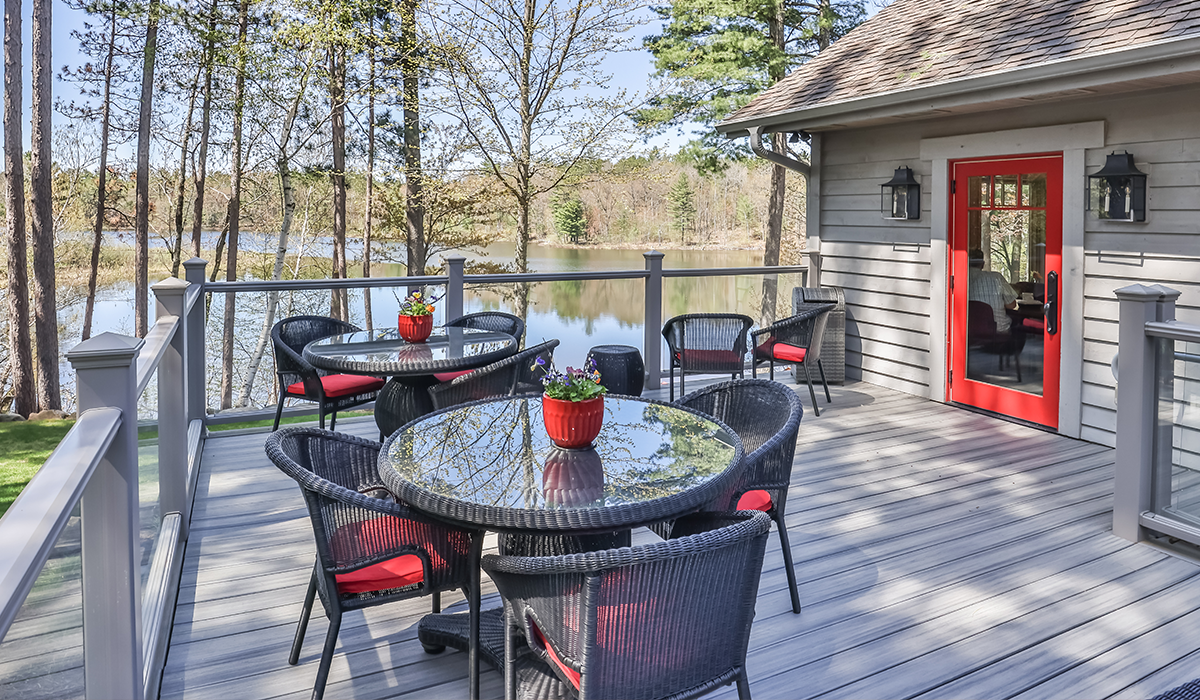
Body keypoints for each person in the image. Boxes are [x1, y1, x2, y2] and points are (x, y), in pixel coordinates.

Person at [968, 248, 1018, 333]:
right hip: (997, 331)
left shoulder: (959, 279)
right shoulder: (996, 278)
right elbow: (1012, 305)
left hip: (968, 332)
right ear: (982, 264)